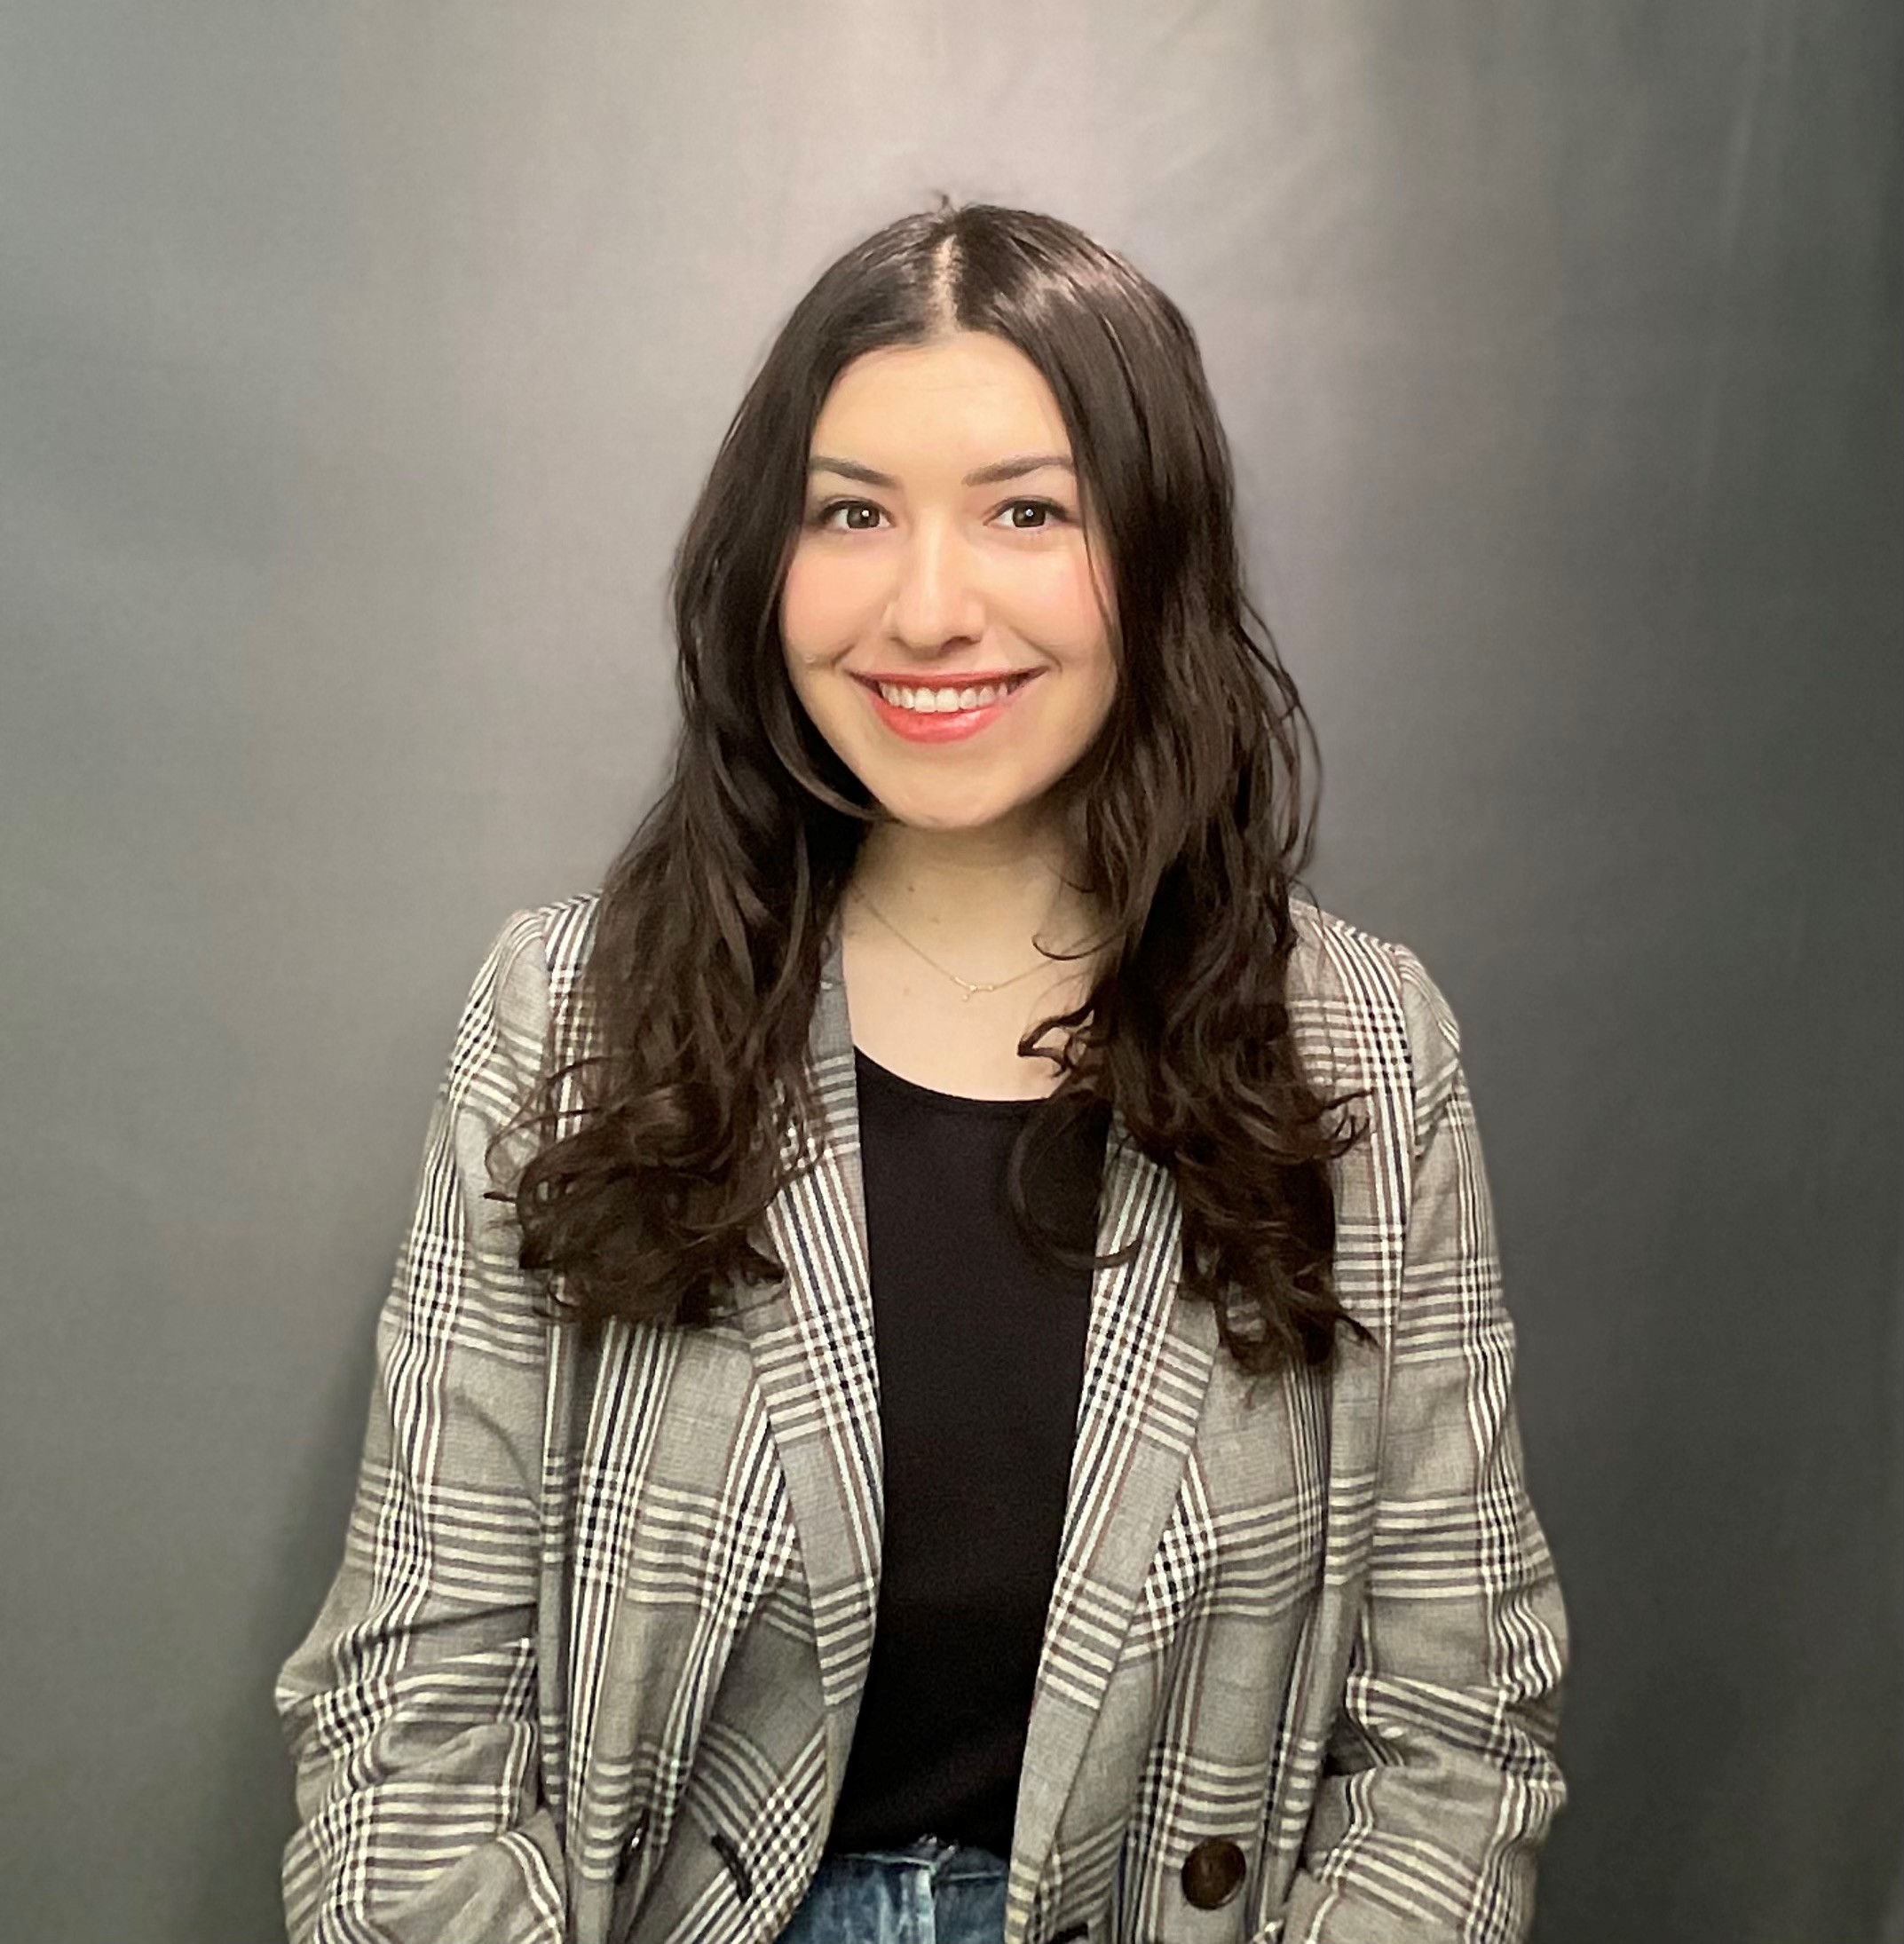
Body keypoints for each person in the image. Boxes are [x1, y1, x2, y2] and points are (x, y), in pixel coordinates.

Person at [275, 197, 1568, 1944]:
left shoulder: (1360, 1049)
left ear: (1154, 557)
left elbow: (1449, 1739)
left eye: (1026, 512)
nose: (928, 607)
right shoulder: (564, 1018)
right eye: (852, 515)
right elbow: (405, 1714)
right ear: (766, 565)